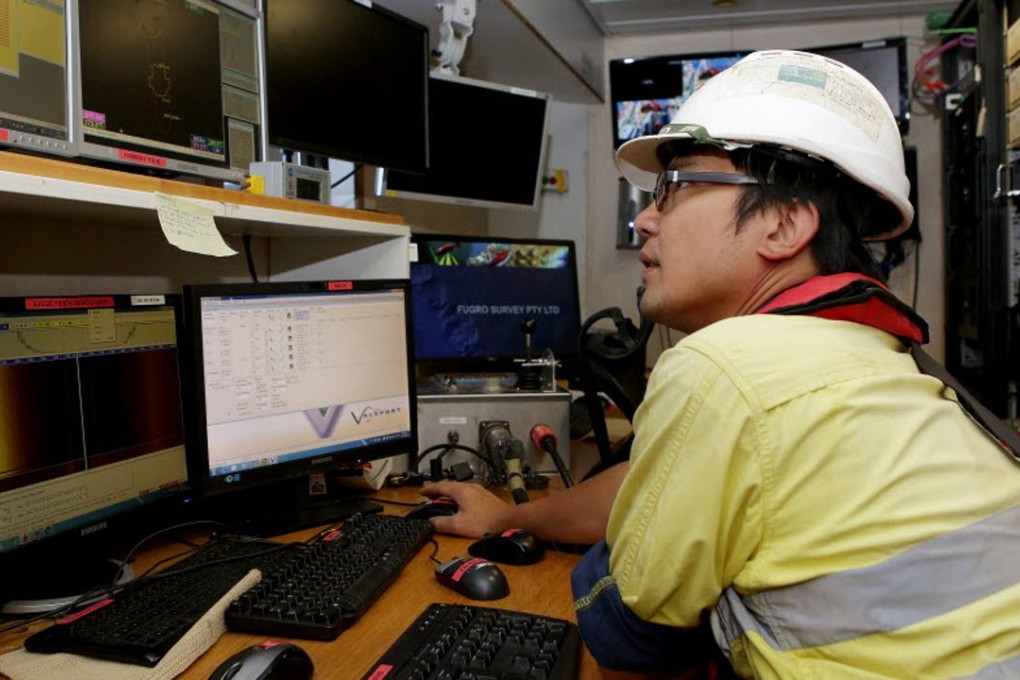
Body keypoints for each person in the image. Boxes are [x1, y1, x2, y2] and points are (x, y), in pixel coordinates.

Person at [422, 49, 1020, 678]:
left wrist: (616, 562)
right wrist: (508, 516)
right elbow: (656, 491)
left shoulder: (727, 364)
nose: (644, 219)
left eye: (674, 189)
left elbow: (629, 639)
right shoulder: (886, 356)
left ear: (785, 224)